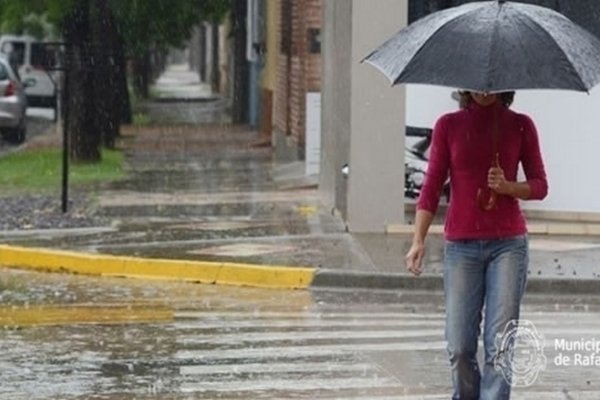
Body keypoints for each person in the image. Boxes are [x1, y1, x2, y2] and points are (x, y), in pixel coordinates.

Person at [405, 91, 548, 400]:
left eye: (491, 86)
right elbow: (431, 187)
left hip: (508, 246)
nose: (484, 92)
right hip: (461, 247)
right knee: (459, 346)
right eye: (476, 85)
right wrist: (418, 239)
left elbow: (540, 185)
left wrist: (509, 187)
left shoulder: (521, 125)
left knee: (499, 344)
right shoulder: (448, 126)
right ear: (465, 86)